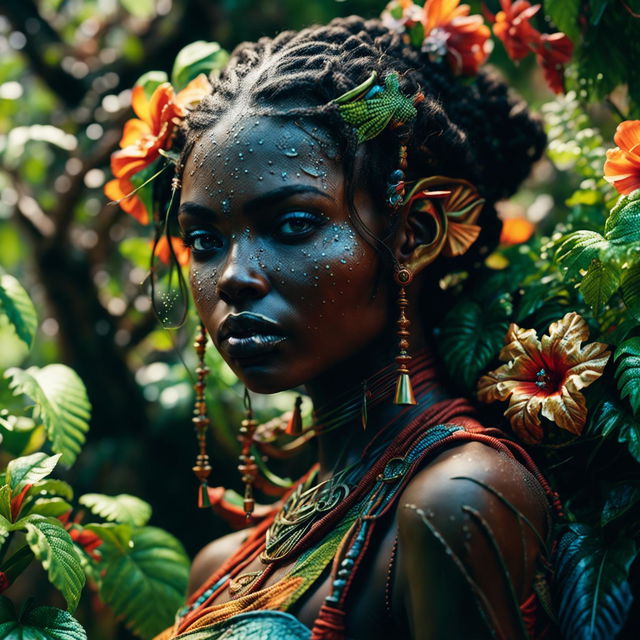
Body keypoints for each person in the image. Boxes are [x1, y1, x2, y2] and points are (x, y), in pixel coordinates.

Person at [114, 10, 562, 640]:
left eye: (294, 224)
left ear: (413, 234)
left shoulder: (455, 499)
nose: (235, 275)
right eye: (205, 239)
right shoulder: (218, 566)